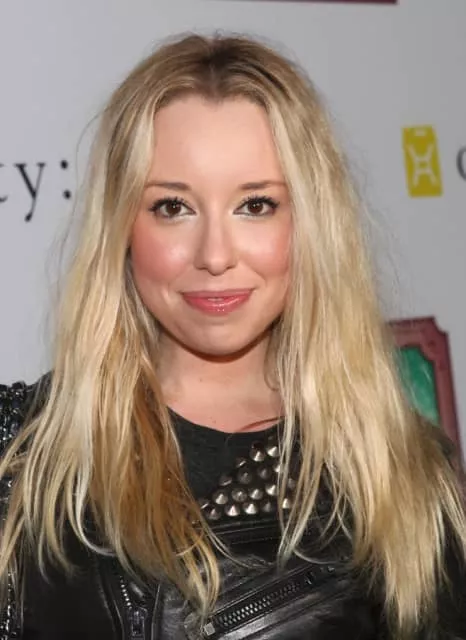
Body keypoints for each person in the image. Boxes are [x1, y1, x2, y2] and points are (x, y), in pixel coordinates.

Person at [0, 33, 465, 640]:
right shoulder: (22, 453)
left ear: (310, 223)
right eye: (173, 207)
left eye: (256, 205)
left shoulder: (401, 478)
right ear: (121, 228)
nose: (216, 255)